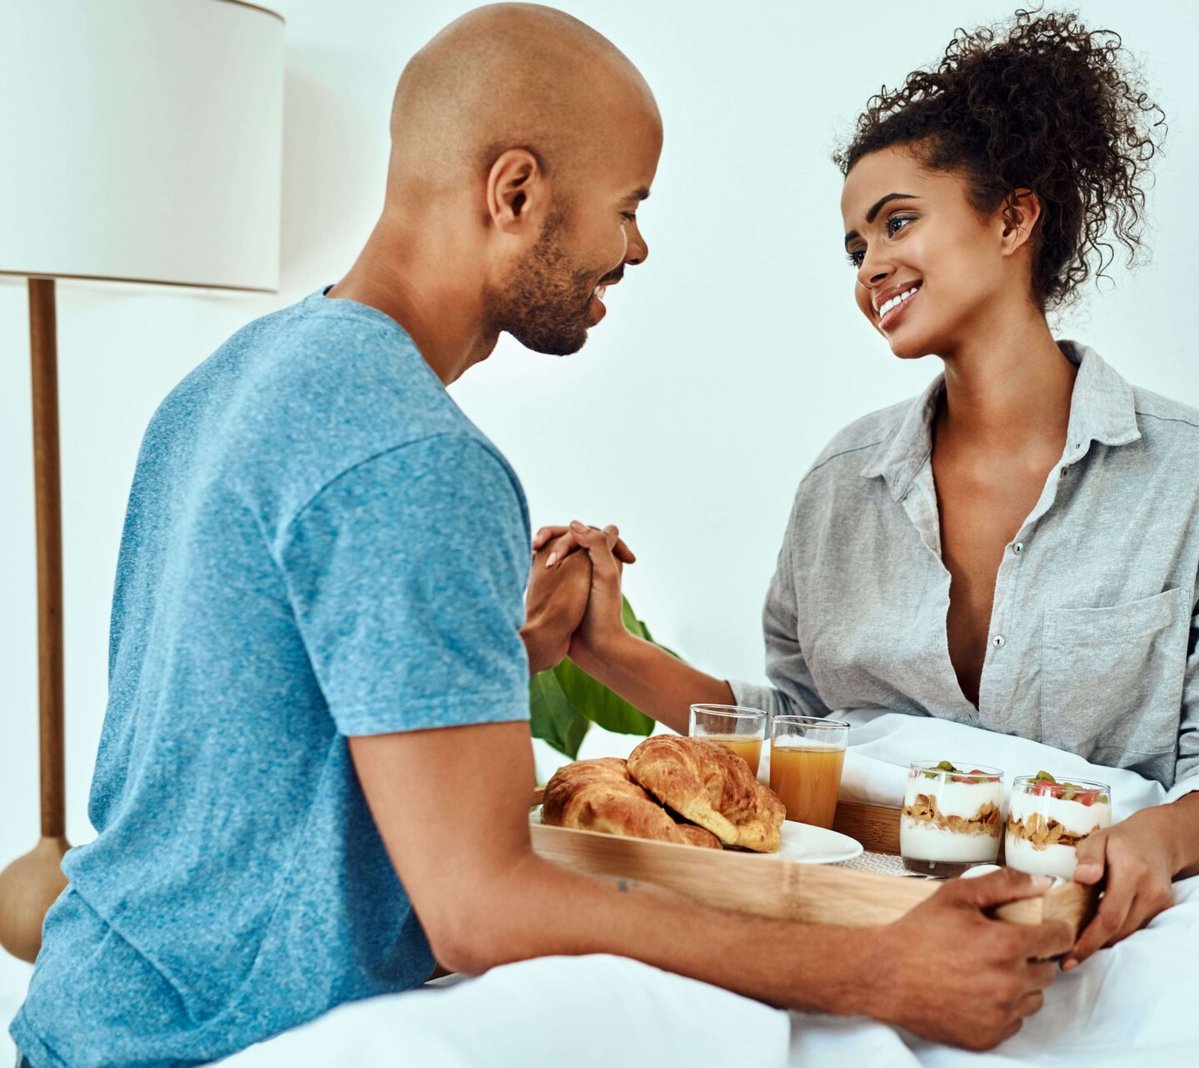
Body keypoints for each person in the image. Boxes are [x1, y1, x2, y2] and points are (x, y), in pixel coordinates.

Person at [9, 7, 1073, 1066]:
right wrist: (877, 970)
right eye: (628, 207)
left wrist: (498, 647)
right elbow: (482, 906)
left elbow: (264, 725)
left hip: (97, 1010)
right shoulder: (411, 454)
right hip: (198, 1044)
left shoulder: (234, 381)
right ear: (514, 192)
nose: (636, 246)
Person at [547, 9, 1199, 971]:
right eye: (856, 248)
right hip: (861, 908)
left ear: (1014, 218)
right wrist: (604, 647)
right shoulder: (839, 487)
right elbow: (801, 738)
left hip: (1104, 918)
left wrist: (1156, 842)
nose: (871, 269)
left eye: (898, 221)